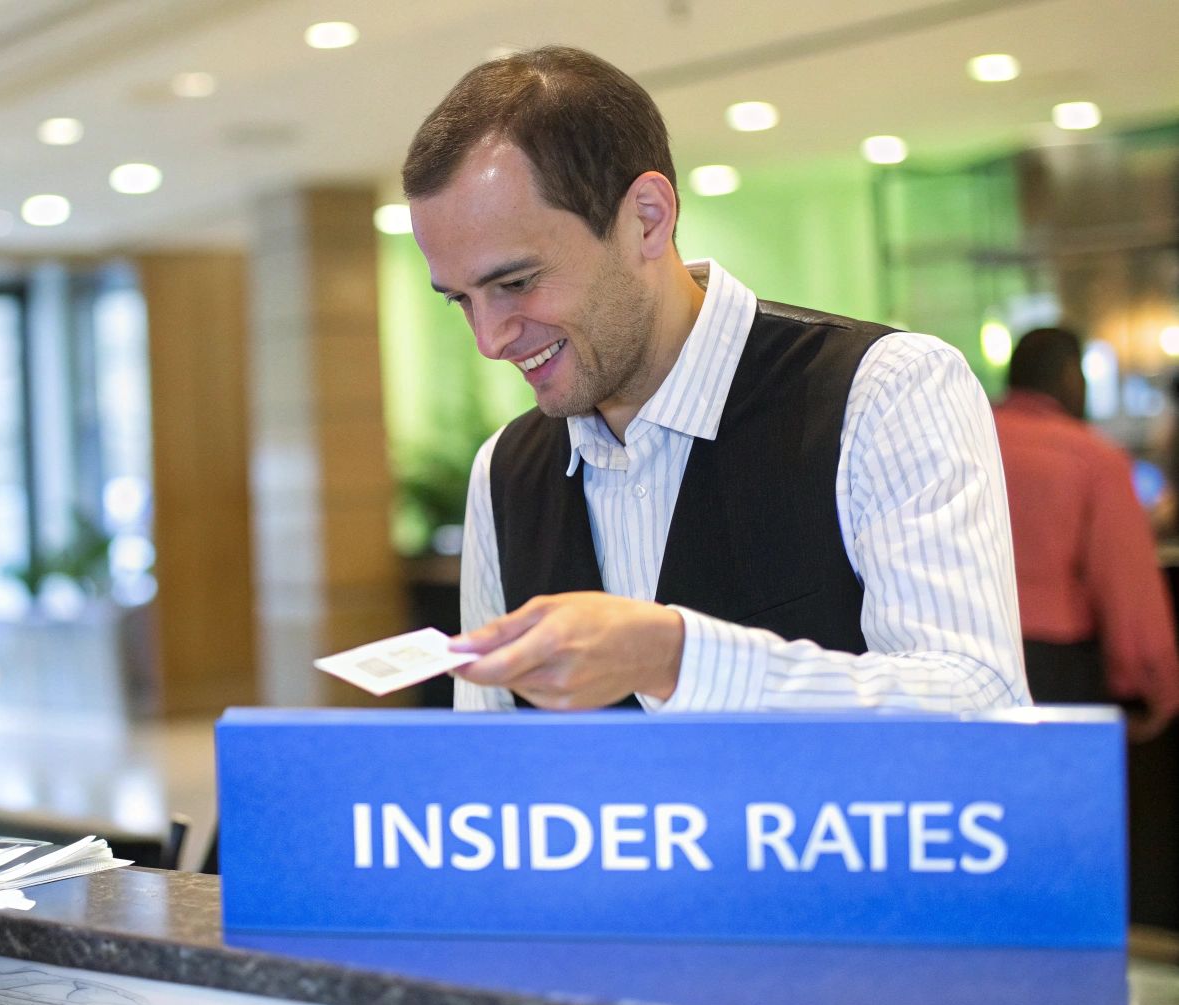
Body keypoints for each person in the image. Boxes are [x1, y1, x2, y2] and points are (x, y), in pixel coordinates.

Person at [401, 47, 1029, 713]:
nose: (490, 339)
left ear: (647, 217)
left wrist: (676, 660)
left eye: (516, 282)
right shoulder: (504, 471)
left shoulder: (883, 393)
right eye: (461, 299)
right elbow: (497, 768)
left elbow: (978, 706)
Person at [993, 327, 1179, 739]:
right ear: (1069, 376)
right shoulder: (1095, 459)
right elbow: (1126, 585)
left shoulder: (967, 439)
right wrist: (1159, 688)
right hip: (1058, 668)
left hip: (967, 653)